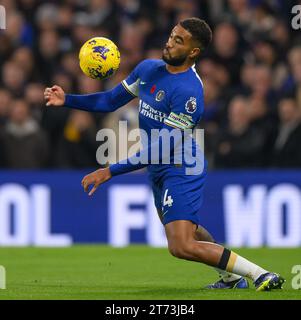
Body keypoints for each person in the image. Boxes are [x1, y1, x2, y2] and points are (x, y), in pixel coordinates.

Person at [44, 17, 284, 291]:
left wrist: (110, 170)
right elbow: (110, 100)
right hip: (157, 168)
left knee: (180, 245)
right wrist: (68, 100)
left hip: (181, 165)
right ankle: (231, 278)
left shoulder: (189, 92)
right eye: (172, 35)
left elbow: (162, 147)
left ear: (194, 51)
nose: (170, 42)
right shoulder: (148, 69)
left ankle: (262, 274)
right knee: (189, 233)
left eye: (179, 40)